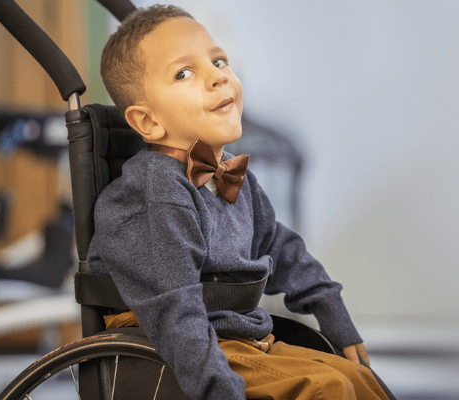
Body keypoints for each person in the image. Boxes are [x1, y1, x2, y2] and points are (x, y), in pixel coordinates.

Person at [88, 4, 389, 400]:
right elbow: (176, 317)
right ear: (148, 122)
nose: (217, 76)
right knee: (328, 388)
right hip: (168, 346)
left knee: (360, 379)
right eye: (184, 72)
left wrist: (331, 310)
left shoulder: (231, 175)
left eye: (218, 61)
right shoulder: (157, 192)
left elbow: (281, 248)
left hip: (236, 333)